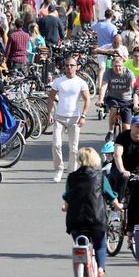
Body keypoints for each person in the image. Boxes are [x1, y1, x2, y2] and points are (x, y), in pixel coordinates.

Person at [62, 147, 123, 277]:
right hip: (96, 220)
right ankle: (100, 270)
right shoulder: (101, 177)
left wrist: (65, 207)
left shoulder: (71, 178)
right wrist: (118, 206)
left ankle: (82, 271)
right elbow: (111, 197)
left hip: (75, 222)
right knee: (100, 245)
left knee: (80, 242)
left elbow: (67, 200)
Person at [48, 55, 90, 183]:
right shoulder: (58, 81)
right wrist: (49, 113)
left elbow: (87, 99)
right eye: (67, 65)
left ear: (77, 67)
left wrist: (83, 116)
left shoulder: (81, 82)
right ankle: (59, 169)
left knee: (74, 148)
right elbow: (50, 97)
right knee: (56, 145)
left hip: (74, 118)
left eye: (72, 65)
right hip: (59, 117)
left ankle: (72, 172)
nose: (69, 68)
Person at [109, 115, 139, 200]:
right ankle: (116, 208)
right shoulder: (122, 136)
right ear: (131, 126)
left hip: (137, 171)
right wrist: (122, 170)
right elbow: (117, 155)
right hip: (119, 169)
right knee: (123, 178)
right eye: (137, 126)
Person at [97, 56, 136, 140]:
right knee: (113, 109)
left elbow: (134, 87)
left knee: (126, 127)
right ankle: (111, 131)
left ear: (123, 66)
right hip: (112, 98)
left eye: (119, 66)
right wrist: (100, 99)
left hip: (126, 100)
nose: (118, 68)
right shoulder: (108, 73)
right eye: (115, 66)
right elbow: (104, 86)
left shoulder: (129, 73)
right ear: (112, 66)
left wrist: (136, 102)